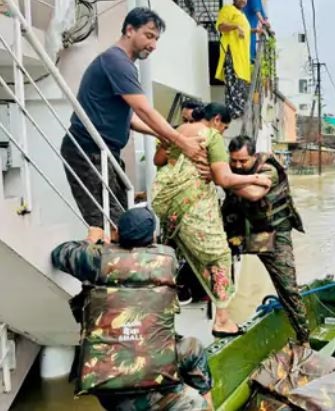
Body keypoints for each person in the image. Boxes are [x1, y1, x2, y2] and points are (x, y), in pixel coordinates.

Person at [61, 7, 205, 243]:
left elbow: (130, 118)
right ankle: (105, 271)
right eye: (149, 36)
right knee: (103, 227)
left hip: (105, 152)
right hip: (86, 150)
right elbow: (143, 109)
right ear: (129, 30)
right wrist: (182, 142)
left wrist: (170, 135)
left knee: (123, 224)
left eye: (156, 39)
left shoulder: (122, 64)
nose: (153, 45)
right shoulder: (116, 61)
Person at [50, 207, 214, 410]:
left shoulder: (97, 259)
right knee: (194, 347)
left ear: (117, 232)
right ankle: (208, 403)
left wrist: (91, 241)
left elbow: (60, 254)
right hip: (155, 375)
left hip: (105, 382)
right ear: (152, 236)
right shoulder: (167, 261)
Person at [152, 103, 271, 337]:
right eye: (224, 127)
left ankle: (175, 302)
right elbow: (224, 179)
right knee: (219, 256)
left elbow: (158, 161)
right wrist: (256, 178)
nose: (223, 132)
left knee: (185, 249)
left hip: (166, 202)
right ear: (216, 120)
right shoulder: (211, 137)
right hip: (192, 204)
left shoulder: (177, 131)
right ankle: (222, 320)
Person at [221, 136, 309, 344]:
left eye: (243, 161)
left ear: (254, 156)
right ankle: (222, 320)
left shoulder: (268, 168)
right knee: (212, 259)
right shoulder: (228, 169)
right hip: (240, 231)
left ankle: (304, 339)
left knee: (288, 287)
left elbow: (253, 193)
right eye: (233, 161)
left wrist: (223, 179)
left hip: (272, 234)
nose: (238, 165)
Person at [215, 0, 251, 119]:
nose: (244, 1)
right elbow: (221, 27)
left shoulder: (242, 15)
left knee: (241, 88)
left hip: (242, 59)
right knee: (234, 88)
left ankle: (238, 115)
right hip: (232, 55)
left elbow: (245, 32)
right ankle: (233, 116)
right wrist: (236, 26)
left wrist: (256, 31)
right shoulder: (227, 9)